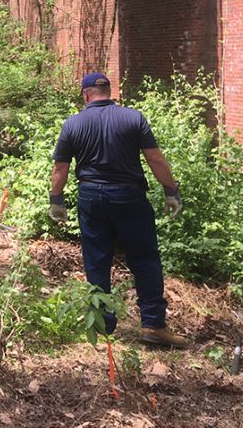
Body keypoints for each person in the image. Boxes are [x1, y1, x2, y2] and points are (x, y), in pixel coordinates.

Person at [49, 72, 187, 348]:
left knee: (97, 259)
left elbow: (60, 168)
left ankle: (101, 325)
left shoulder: (72, 124)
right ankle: (153, 326)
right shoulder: (133, 118)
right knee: (145, 259)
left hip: (91, 196)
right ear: (110, 92)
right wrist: (171, 190)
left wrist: (57, 200)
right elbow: (155, 159)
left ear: (85, 94)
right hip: (129, 196)